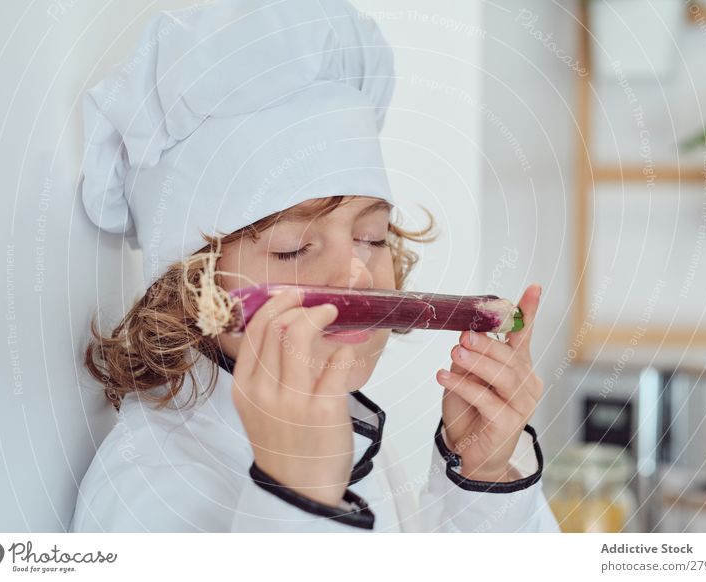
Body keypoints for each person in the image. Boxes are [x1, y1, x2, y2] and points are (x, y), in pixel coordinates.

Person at [69, 0, 559, 533]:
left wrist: (484, 479)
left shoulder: (354, 439)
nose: (357, 274)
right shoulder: (146, 487)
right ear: (190, 292)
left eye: (371, 237)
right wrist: (297, 498)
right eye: (293, 248)